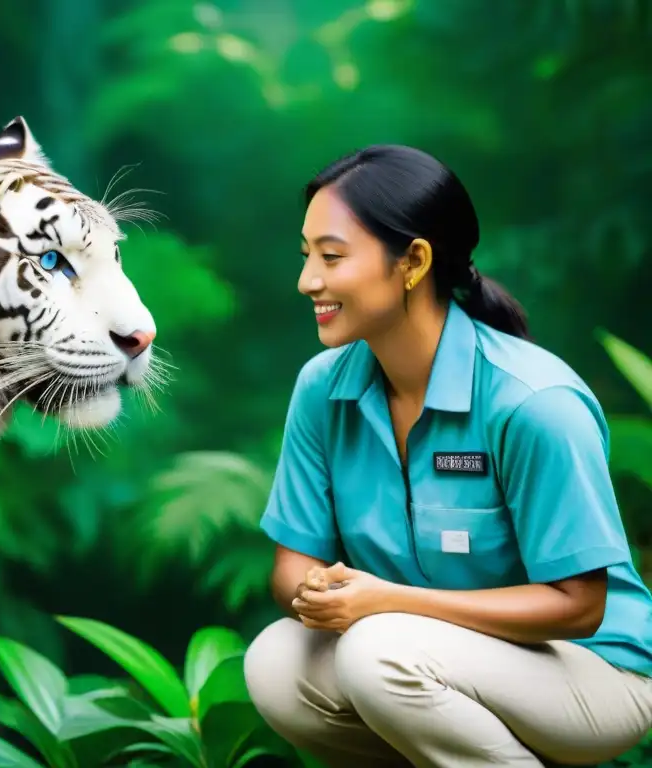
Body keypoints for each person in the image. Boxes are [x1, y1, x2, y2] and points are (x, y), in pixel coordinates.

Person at [242, 144, 652, 768]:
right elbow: (291, 567)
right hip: (420, 651)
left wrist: (386, 603)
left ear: (413, 261)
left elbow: (580, 604)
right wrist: (320, 589)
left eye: (332, 257)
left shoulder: (534, 403)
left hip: (595, 669)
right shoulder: (322, 387)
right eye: (306, 257)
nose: (308, 281)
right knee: (277, 665)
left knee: (377, 652)